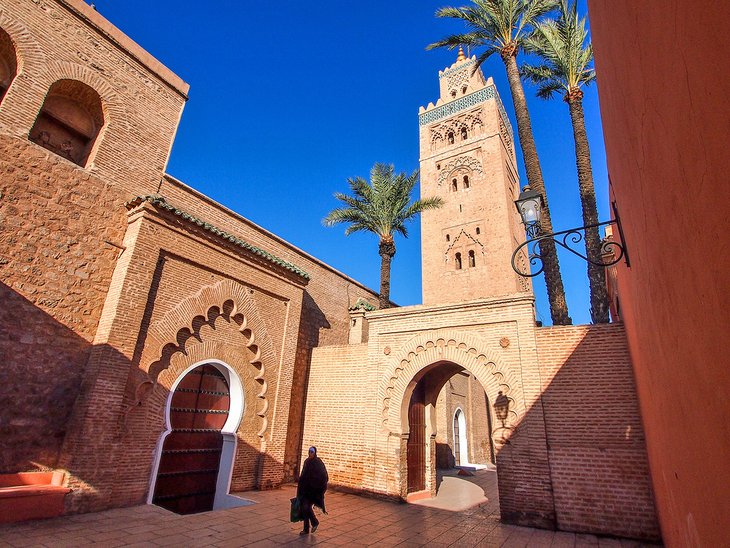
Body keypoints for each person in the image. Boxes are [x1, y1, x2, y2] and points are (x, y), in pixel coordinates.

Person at [296, 446, 328, 535]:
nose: (310, 453)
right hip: (305, 490)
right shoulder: (307, 461)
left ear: (315, 453)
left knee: (306, 507)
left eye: (312, 452)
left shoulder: (318, 463)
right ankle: (308, 527)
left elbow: (324, 476)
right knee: (304, 508)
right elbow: (303, 474)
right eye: (309, 452)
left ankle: (313, 524)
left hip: (314, 491)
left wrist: (318, 487)